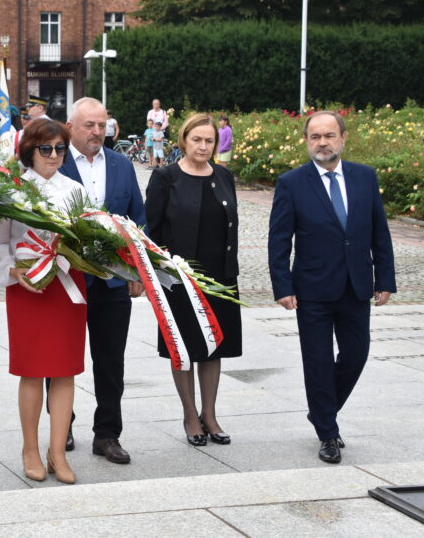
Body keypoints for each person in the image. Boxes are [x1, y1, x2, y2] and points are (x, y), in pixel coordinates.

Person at [268, 110, 396, 464]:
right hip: (311, 288)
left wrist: (385, 278)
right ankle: (327, 431)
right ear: (307, 141)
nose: (322, 142)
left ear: (343, 138)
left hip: (356, 286)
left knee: (356, 355)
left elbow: (378, 231)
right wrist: (283, 284)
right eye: (315, 137)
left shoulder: (364, 178)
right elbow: (279, 239)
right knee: (318, 362)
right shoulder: (292, 183)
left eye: (329, 135)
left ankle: (321, 411)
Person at [0, 120, 86, 484]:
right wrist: (14, 273)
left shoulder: (76, 190)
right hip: (27, 286)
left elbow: (89, 238)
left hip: (67, 285)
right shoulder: (11, 191)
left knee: (65, 369)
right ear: (30, 150)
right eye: (47, 149)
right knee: (31, 369)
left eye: (61, 149)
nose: (55, 156)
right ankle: (30, 447)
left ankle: (57, 451)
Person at [145, 114, 241, 447]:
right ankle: (190, 415)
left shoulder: (224, 176)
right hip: (180, 279)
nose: (203, 146)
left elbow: (232, 227)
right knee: (183, 349)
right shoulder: (164, 177)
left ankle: (210, 414)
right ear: (184, 140)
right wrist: (158, 275)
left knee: (215, 347)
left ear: (217, 143)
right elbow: (152, 233)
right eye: (196, 139)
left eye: (209, 141)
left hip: (220, 276)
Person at [60, 97, 145, 463]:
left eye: (102, 125)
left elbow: (138, 220)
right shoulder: (54, 162)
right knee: (61, 359)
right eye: (89, 125)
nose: (97, 132)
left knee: (111, 362)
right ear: (71, 128)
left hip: (112, 283)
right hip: (66, 281)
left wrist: (138, 271)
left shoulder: (123, 165)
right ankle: (61, 425)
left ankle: (107, 434)